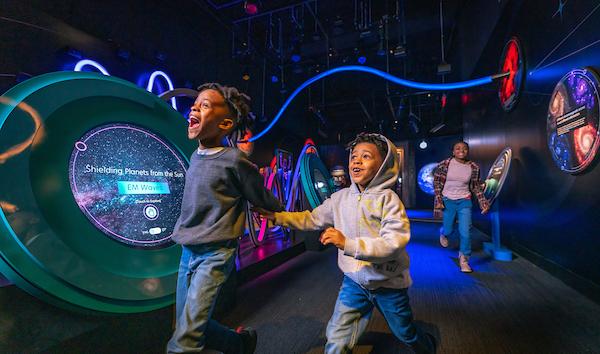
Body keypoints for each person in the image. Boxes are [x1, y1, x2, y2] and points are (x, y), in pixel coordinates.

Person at [256, 133, 436, 354]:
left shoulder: (389, 201)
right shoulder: (339, 198)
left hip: (387, 283)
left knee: (404, 332)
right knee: (337, 336)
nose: (356, 161)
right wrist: (278, 217)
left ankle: (427, 345)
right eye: (354, 157)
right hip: (354, 282)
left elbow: (393, 243)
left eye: (366, 156)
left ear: (383, 166)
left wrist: (348, 244)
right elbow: (311, 218)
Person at [167, 83, 283, 354]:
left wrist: (279, 213)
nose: (195, 107)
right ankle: (240, 343)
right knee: (191, 325)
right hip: (188, 251)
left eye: (205, 105)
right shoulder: (195, 155)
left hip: (215, 254)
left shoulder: (234, 160)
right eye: (195, 104)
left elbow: (260, 194)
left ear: (226, 123)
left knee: (185, 341)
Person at [433, 141, 490, 273]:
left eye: (464, 149)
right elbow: (436, 182)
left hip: (465, 200)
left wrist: (483, 203)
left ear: (467, 151)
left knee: (465, 231)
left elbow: (475, 186)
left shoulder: (474, 167)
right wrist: (439, 199)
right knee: (448, 229)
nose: (461, 151)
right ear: (453, 152)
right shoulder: (445, 164)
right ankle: (443, 233)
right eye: (458, 148)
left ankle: (464, 259)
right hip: (447, 200)